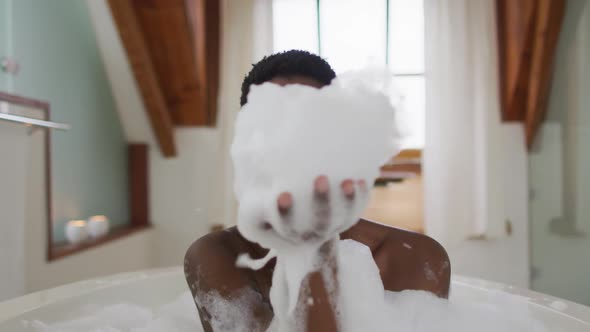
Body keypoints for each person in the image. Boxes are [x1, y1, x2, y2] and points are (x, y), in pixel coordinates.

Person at [184, 50, 450, 332]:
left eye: (312, 123)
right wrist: (309, 253)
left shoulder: (416, 258)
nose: (292, 142)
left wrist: (317, 250)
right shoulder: (218, 255)